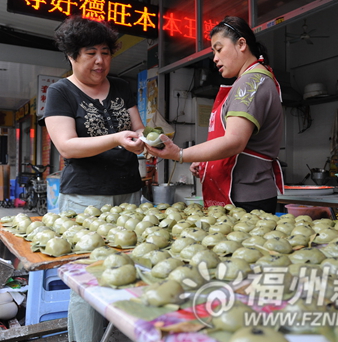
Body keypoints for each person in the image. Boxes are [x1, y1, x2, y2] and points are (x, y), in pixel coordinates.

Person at [40, 15, 145, 342]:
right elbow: (67, 146)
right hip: (85, 199)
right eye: (90, 53)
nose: (100, 61)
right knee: (87, 280)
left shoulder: (123, 87)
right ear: (72, 55)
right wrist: (116, 139)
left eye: (106, 52)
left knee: (128, 271)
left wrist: (147, 140)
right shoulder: (61, 92)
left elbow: (138, 129)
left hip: (128, 194)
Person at [146, 16, 284, 213]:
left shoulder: (251, 82)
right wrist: (207, 161)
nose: (215, 58)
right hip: (241, 193)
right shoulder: (249, 80)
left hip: (244, 198)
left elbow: (234, 142)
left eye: (219, 49)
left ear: (242, 44)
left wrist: (180, 154)